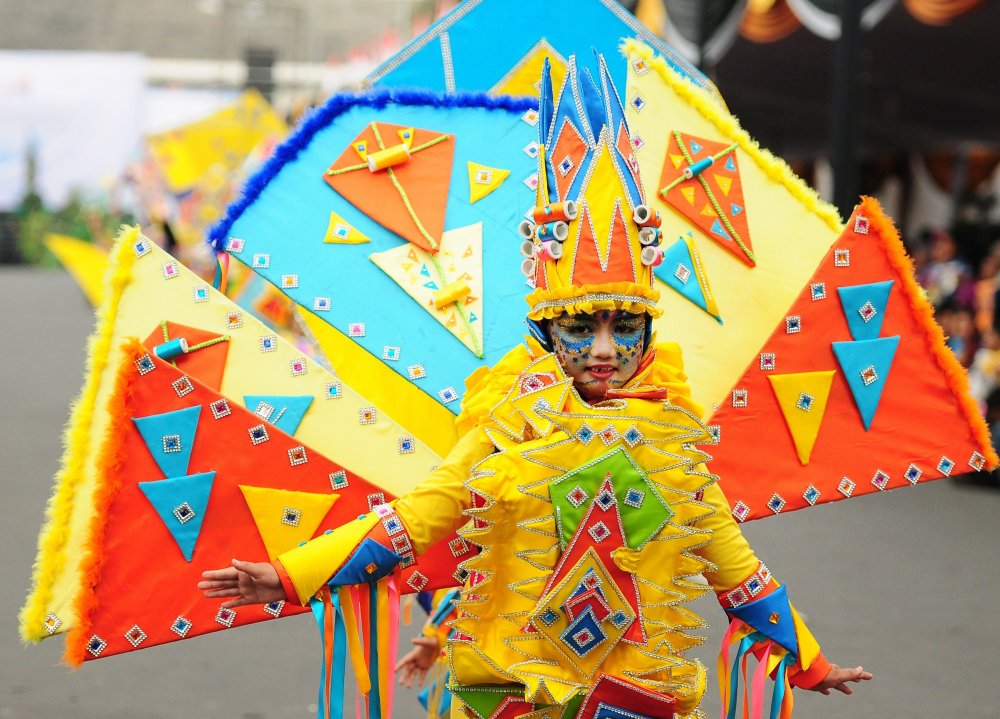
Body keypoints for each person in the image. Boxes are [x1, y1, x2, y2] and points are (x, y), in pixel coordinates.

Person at [200, 56, 871, 719]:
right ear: (550, 327)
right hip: (512, 698)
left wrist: (808, 659)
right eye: (582, 325)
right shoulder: (510, 422)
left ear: (646, 325)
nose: (605, 349)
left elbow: (735, 566)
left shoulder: (674, 437)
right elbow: (418, 518)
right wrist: (293, 574)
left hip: (631, 702)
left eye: (624, 325)